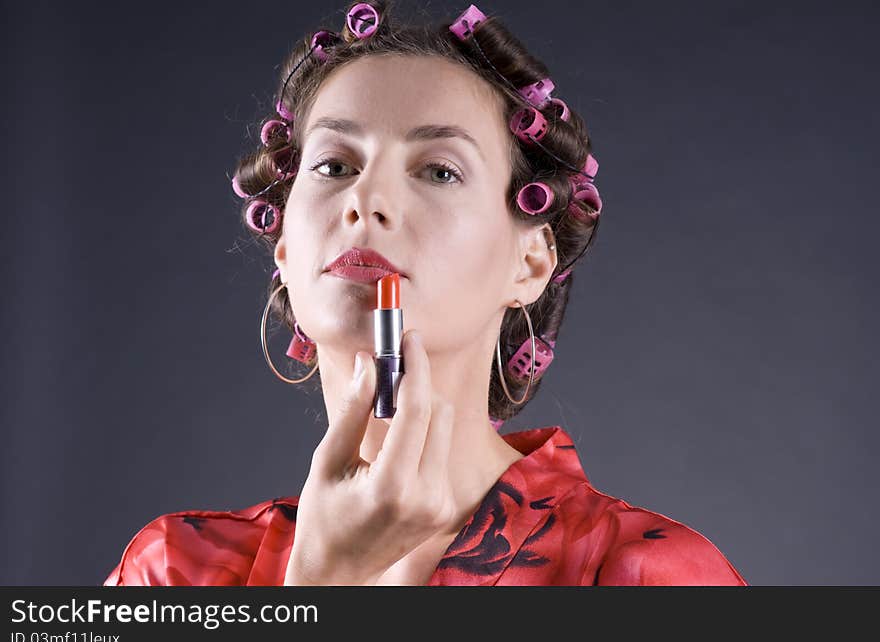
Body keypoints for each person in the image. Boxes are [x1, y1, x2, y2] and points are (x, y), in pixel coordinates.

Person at [103, 1, 747, 586]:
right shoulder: (177, 570)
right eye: (334, 165)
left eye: (439, 171)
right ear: (284, 247)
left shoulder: (643, 574)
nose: (367, 201)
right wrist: (325, 580)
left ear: (528, 263)